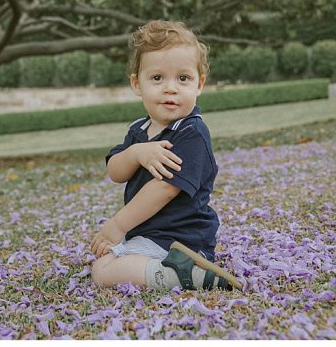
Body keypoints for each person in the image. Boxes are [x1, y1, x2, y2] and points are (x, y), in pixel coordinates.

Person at [90, 20, 243, 291]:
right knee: (105, 261)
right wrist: (136, 153)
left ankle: (181, 275)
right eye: (157, 78)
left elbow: (164, 189)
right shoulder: (139, 130)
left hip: (180, 239)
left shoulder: (191, 132)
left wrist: (117, 226)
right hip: (152, 235)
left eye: (183, 78)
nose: (170, 88)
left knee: (102, 271)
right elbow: (115, 171)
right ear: (138, 84)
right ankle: (170, 269)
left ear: (199, 84)